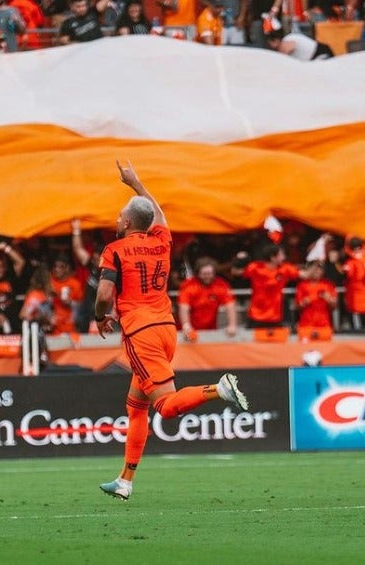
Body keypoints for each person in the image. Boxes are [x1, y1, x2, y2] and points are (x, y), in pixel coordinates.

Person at [96, 160, 249, 501]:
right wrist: (136, 183)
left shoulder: (114, 250)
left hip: (140, 333)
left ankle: (218, 390)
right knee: (136, 407)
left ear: (124, 222)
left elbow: (104, 294)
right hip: (166, 330)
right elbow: (158, 214)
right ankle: (125, 480)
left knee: (164, 406)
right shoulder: (161, 241)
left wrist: (98, 316)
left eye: (120, 217)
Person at [177, 257, 238, 340]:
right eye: (204, 274)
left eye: (210, 273)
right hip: (189, 331)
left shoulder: (220, 285)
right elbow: (184, 307)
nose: (207, 277)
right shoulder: (189, 286)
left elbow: (230, 305)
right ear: (198, 273)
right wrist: (186, 325)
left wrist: (232, 325)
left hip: (210, 330)